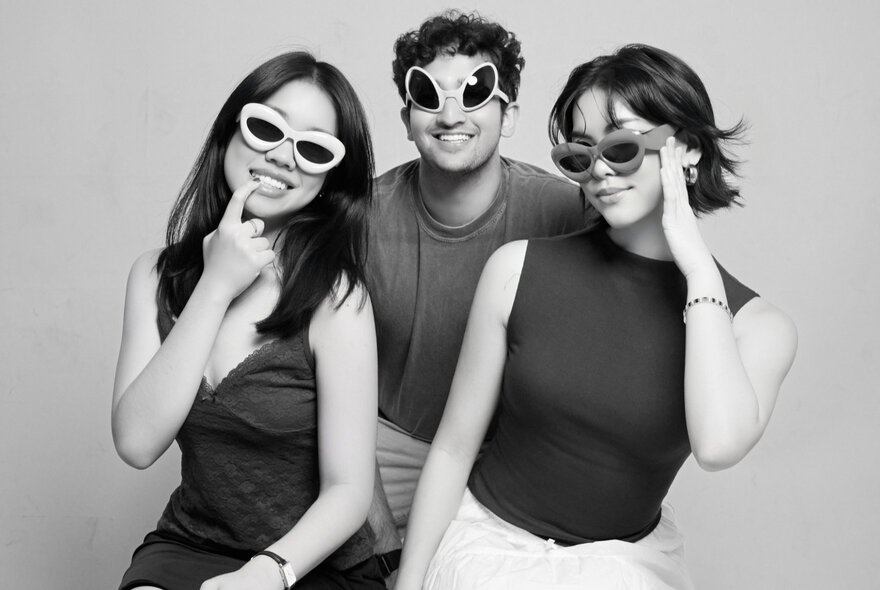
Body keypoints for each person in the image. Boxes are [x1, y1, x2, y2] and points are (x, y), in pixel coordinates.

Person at [395, 44, 798, 589]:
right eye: (580, 155)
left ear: (690, 150)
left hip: (624, 568)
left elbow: (718, 445)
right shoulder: (516, 270)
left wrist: (699, 272)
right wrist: (412, 581)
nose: (601, 171)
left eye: (624, 147)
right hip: (483, 547)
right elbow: (452, 447)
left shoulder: (758, 326)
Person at [112, 51, 383, 590]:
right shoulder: (154, 276)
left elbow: (349, 492)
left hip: (310, 562)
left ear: (329, 179)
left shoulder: (338, 299)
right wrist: (214, 287)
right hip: (192, 543)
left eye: (312, 148)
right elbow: (138, 443)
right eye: (266, 128)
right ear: (229, 134)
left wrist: (266, 574)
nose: (284, 155)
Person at [365, 10, 586, 576]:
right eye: (428, 95)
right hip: (380, 454)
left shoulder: (566, 211)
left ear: (507, 114)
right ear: (406, 115)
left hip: (508, 468)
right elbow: (320, 389)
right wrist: (383, 541)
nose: (450, 114)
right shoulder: (360, 218)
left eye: (476, 92)